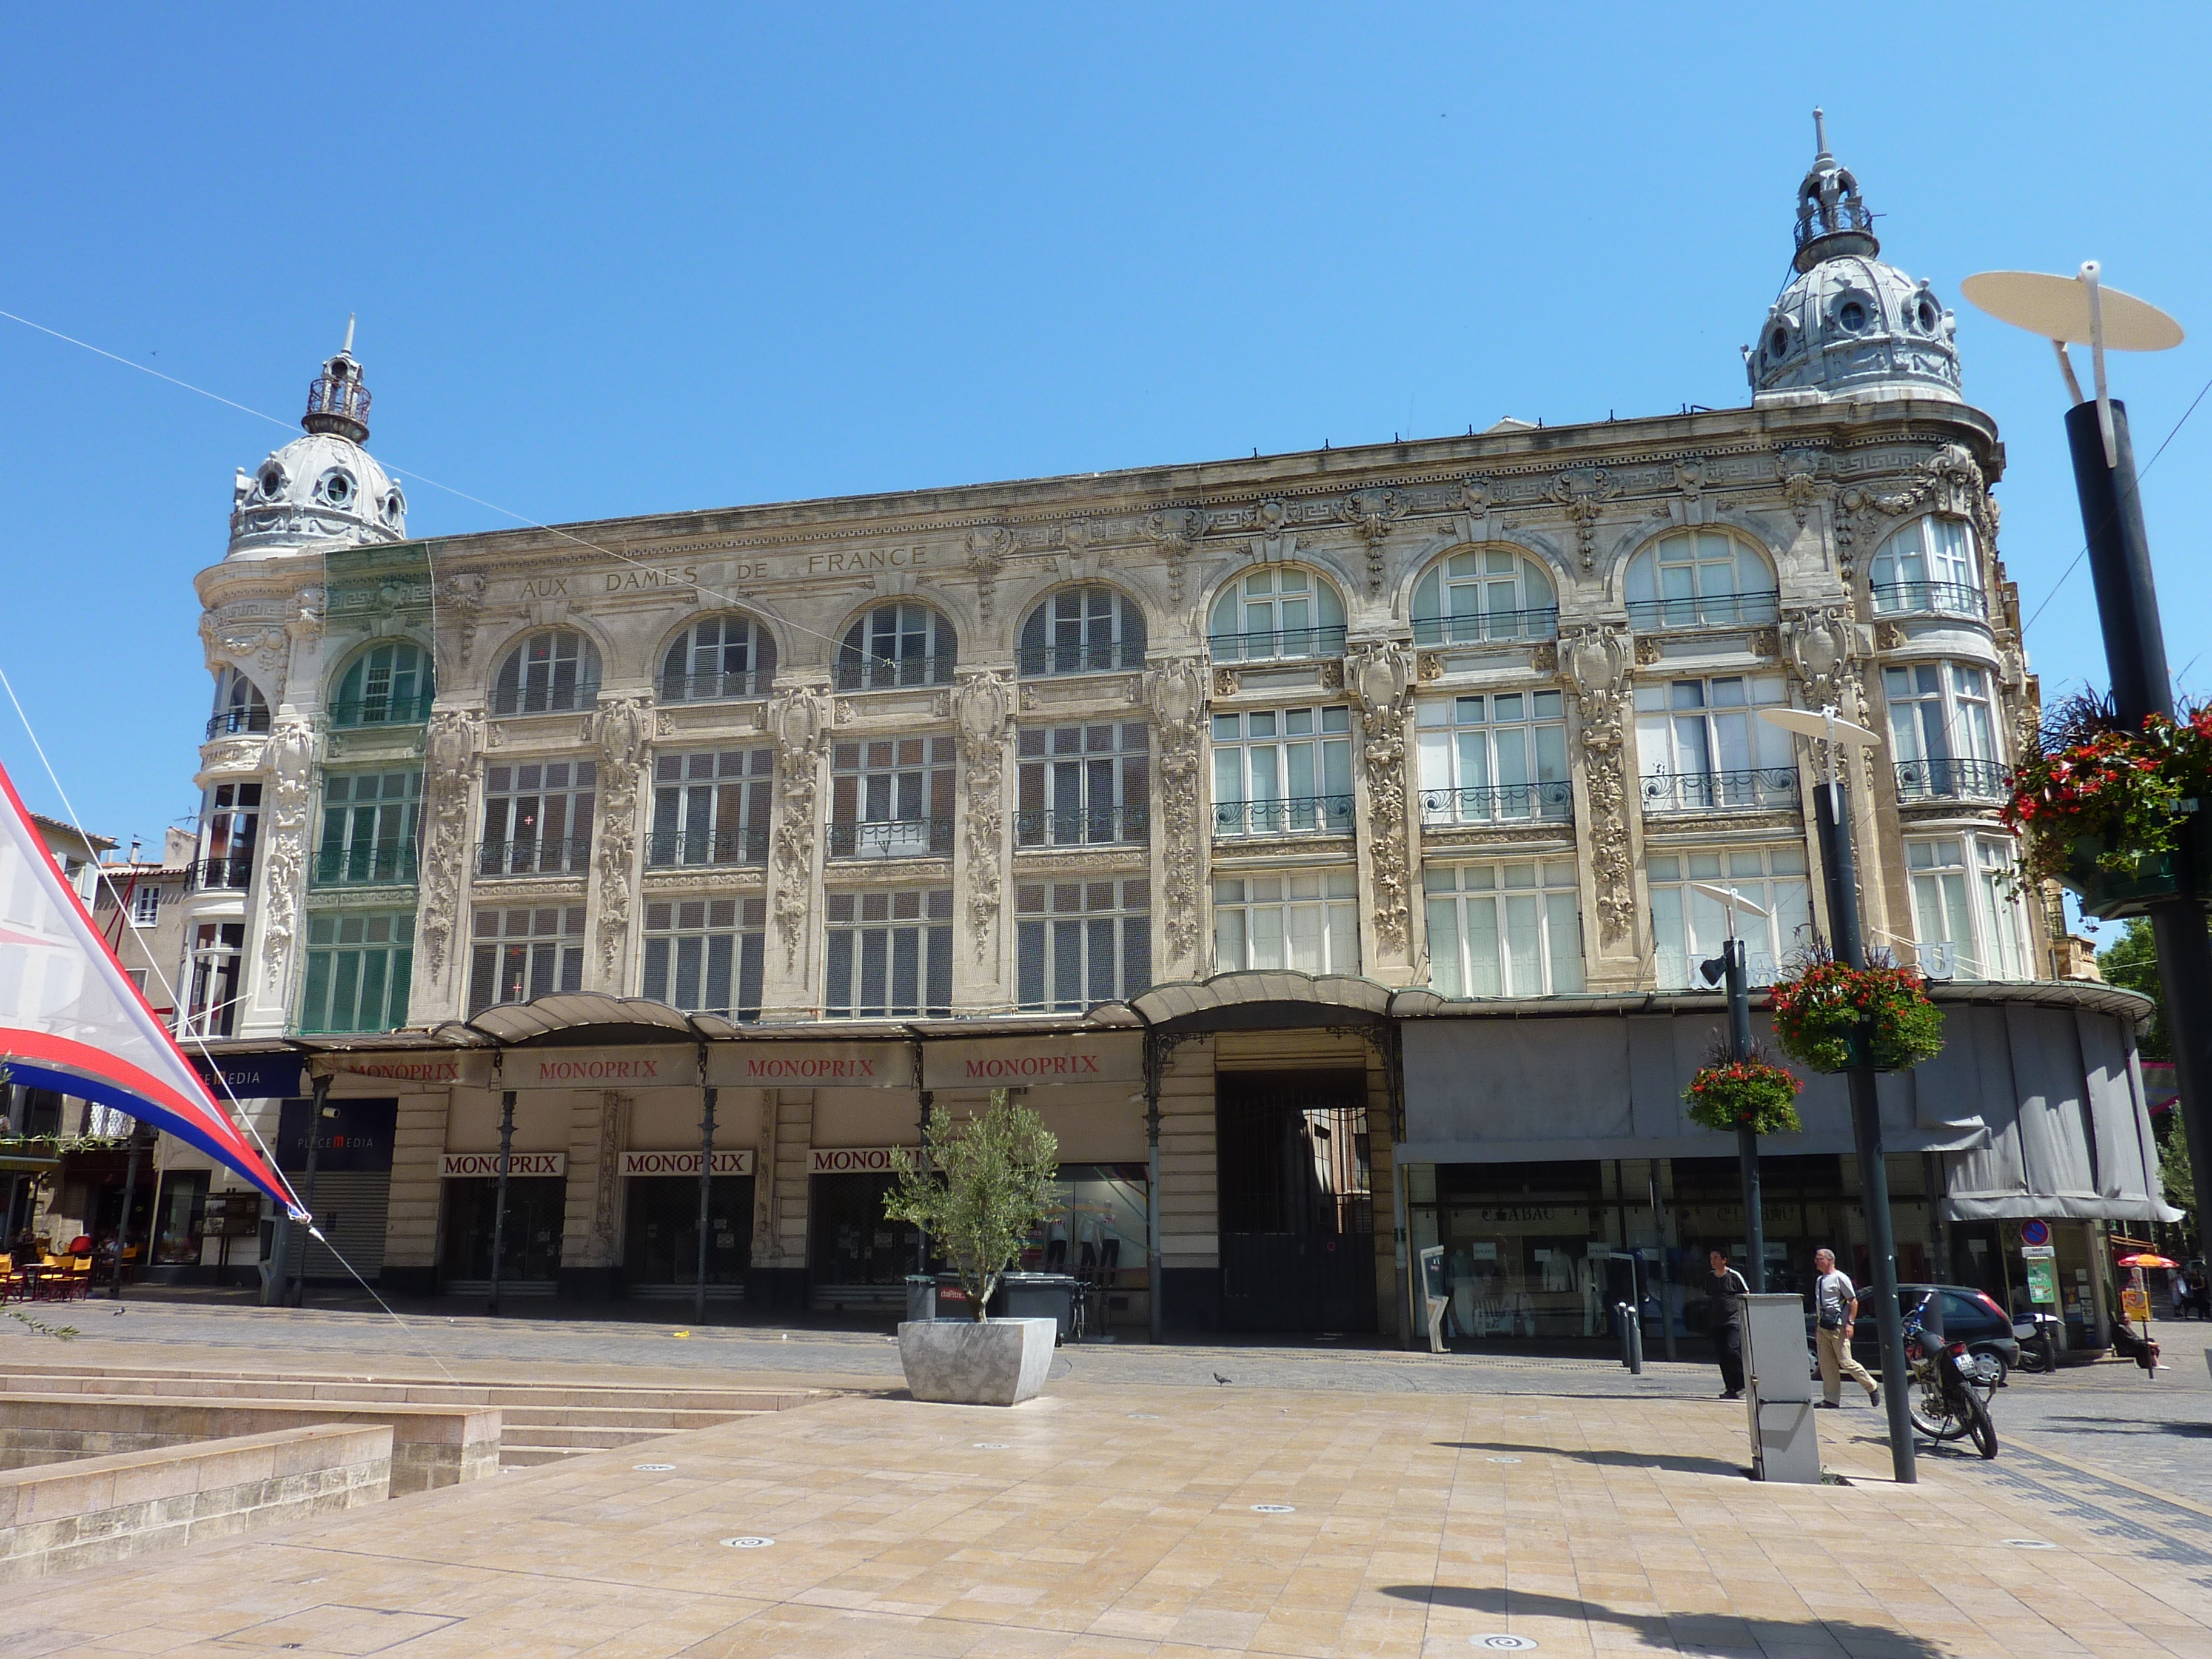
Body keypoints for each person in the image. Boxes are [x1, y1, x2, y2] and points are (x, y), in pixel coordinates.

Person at [1811, 1247, 1881, 1410]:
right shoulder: (1820, 1280)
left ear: (1829, 1260)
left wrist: (1850, 1323)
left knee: (1846, 1361)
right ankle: (1831, 1399)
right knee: (1827, 1365)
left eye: (1819, 1258)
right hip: (1823, 1326)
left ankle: (1872, 1386)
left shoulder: (1840, 1278)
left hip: (1838, 1326)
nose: (1816, 1261)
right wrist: (1818, 1327)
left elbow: (1853, 1301)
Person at [1703, 1248, 1751, 1399]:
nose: (1713, 1261)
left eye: (1716, 1258)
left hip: (1733, 1319)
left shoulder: (1734, 1276)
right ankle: (1731, 1388)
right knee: (1722, 1356)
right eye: (1711, 1258)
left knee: (1732, 1350)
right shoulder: (1710, 1277)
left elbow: (1746, 1294)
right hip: (1717, 1321)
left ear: (1724, 1260)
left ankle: (1743, 1381)